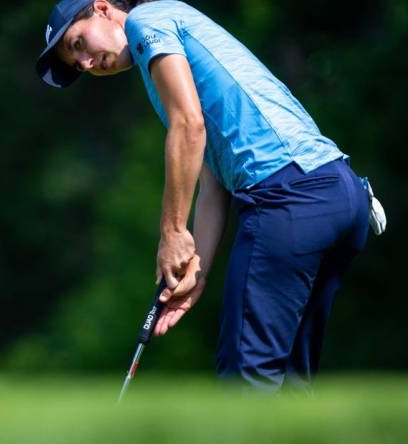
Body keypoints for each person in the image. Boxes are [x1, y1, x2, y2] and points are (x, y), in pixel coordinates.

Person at [36, 0, 372, 392]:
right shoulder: (168, 52)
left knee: (245, 381)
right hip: (339, 195)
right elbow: (214, 178)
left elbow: (189, 127)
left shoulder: (147, 20)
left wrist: (172, 232)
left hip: (288, 197)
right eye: (78, 65)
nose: (88, 64)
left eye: (78, 44)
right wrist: (199, 268)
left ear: (102, 9)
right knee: (291, 385)